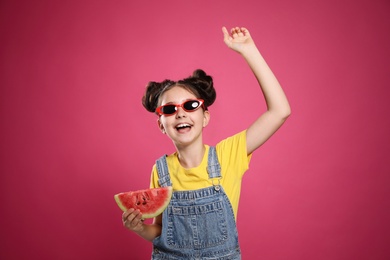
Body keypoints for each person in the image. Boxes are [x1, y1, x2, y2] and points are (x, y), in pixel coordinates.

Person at [122, 26, 291, 259]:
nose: (180, 114)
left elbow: (280, 111)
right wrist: (139, 228)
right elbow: (162, 231)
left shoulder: (228, 154)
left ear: (205, 117)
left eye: (190, 106)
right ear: (161, 125)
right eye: (170, 109)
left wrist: (249, 51)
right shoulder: (160, 170)